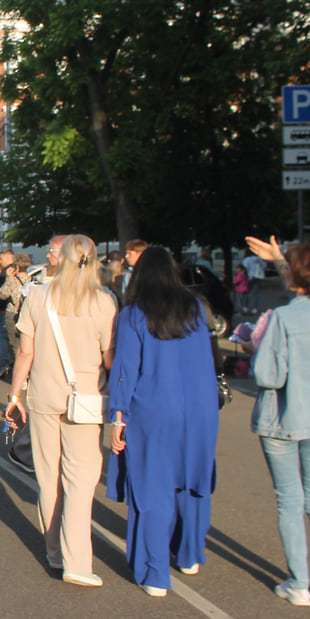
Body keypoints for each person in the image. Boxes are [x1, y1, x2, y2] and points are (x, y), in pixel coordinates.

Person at [106, 247, 219, 597]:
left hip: (153, 409)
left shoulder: (133, 314)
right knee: (192, 481)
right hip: (200, 408)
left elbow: (125, 371)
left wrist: (117, 418)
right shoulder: (196, 308)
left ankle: (155, 572)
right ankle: (189, 554)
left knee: (153, 487)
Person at [4, 234, 115, 586]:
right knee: (81, 480)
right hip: (86, 401)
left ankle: (53, 553)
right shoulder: (104, 301)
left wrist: (14, 395)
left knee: (48, 476)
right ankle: (77, 561)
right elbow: (110, 359)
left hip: (43, 397)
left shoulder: (37, 296)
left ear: (59, 259)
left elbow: (25, 353)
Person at [246, 238, 310, 609]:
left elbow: (268, 375)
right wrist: (280, 259)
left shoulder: (283, 318)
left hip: (281, 419)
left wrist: (254, 347)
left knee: (290, 501)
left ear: (296, 275)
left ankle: (299, 583)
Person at [242, 250, 267, 315]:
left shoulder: (247, 259)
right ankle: (255, 308)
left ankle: (245, 307)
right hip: (257, 276)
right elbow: (264, 266)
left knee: (246, 293)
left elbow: (244, 267)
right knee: (255, 293)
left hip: (249, 276)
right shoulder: (259, 259)